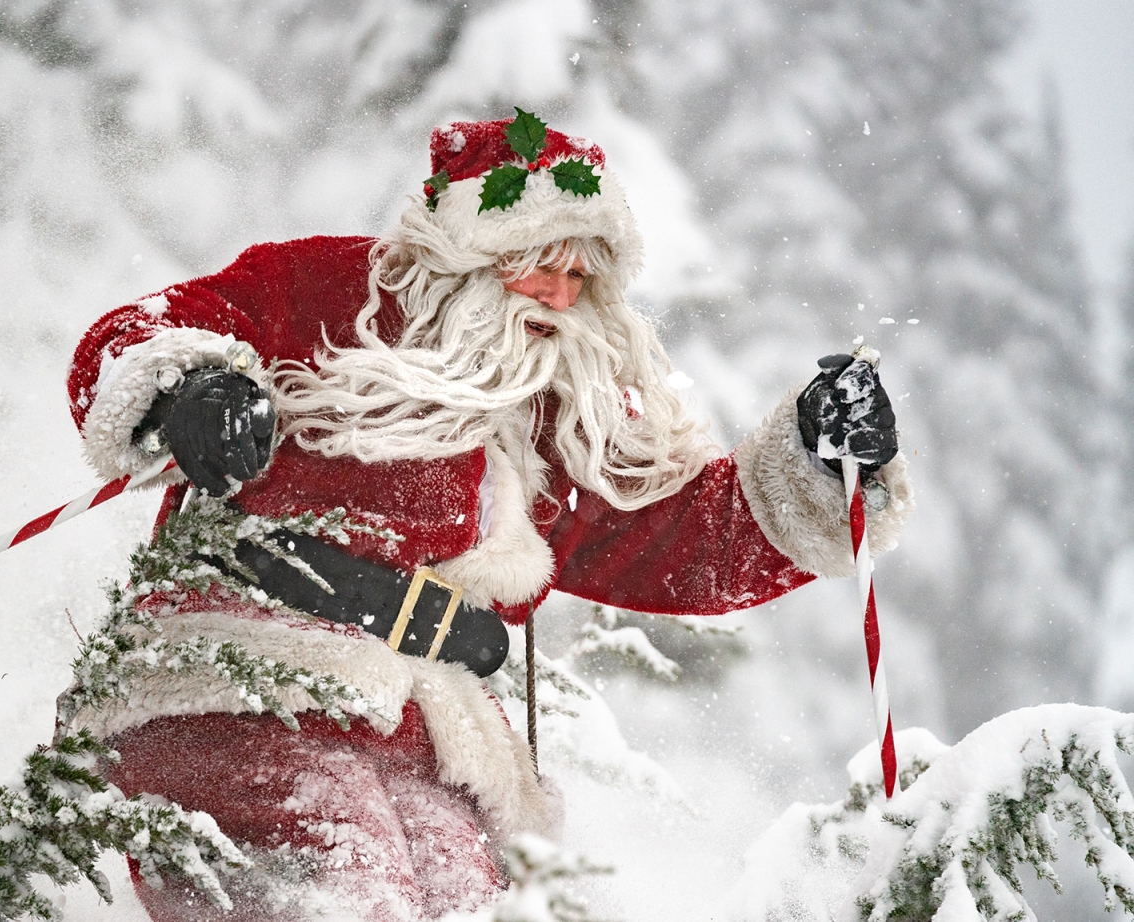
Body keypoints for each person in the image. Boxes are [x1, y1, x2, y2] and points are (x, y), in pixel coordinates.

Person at [58, 113, 911, 921]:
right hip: (233, 688)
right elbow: (145, 333)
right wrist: (192, 391)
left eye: (580, 276)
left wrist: (815, 462)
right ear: (471, 248)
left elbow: (680, 541)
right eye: (536, 262)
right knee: (351, 868)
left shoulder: (551, 408)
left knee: (458, 885)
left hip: (427, 739)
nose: (557, 296)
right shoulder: (324, 288)